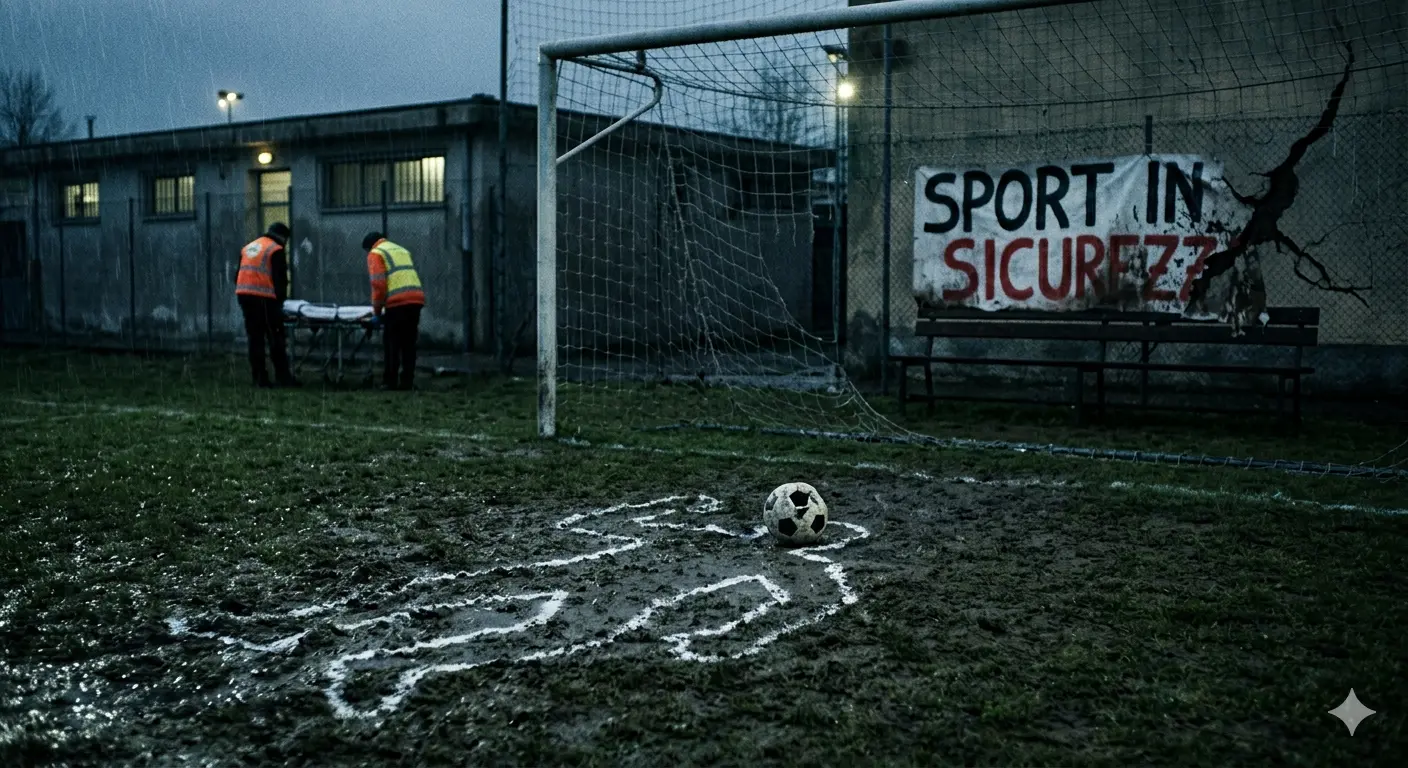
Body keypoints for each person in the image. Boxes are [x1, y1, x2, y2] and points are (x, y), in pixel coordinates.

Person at [234, 222, 299, 388]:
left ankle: (259, 378)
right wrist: (280, 304)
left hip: (245, 295)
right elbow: (280, 280)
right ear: (283, 238)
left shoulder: (248, 247)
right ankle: (283, 378)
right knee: (276, 338)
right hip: (265, 298)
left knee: (255, 339)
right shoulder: (275, 249)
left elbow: (237, 275)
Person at [362, 231, 426, 390]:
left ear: (369, 247)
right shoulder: (401, 250)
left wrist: (377, 312)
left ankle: (390, 381)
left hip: (397, 302)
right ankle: (407, 381)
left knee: (392, 343)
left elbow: (379, 285)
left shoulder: (375, 254)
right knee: (409, 343)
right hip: (416, 299)